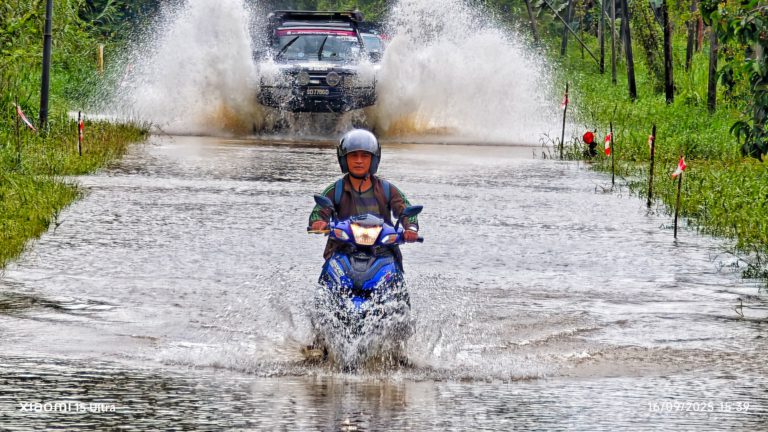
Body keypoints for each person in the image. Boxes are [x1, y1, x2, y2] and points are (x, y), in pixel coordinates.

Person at [308, 129, 419, 267]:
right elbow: (318, 212)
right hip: (342, 252)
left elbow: (406, 210)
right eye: (353, 155)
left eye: (365, 156)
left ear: (374, 159)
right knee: (328, 279)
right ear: (344, 159)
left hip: (383, 252)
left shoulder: (387, 189)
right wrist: (318, 222)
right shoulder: (335, 190)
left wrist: (411, 229)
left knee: (396, 281)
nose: (359, 161)